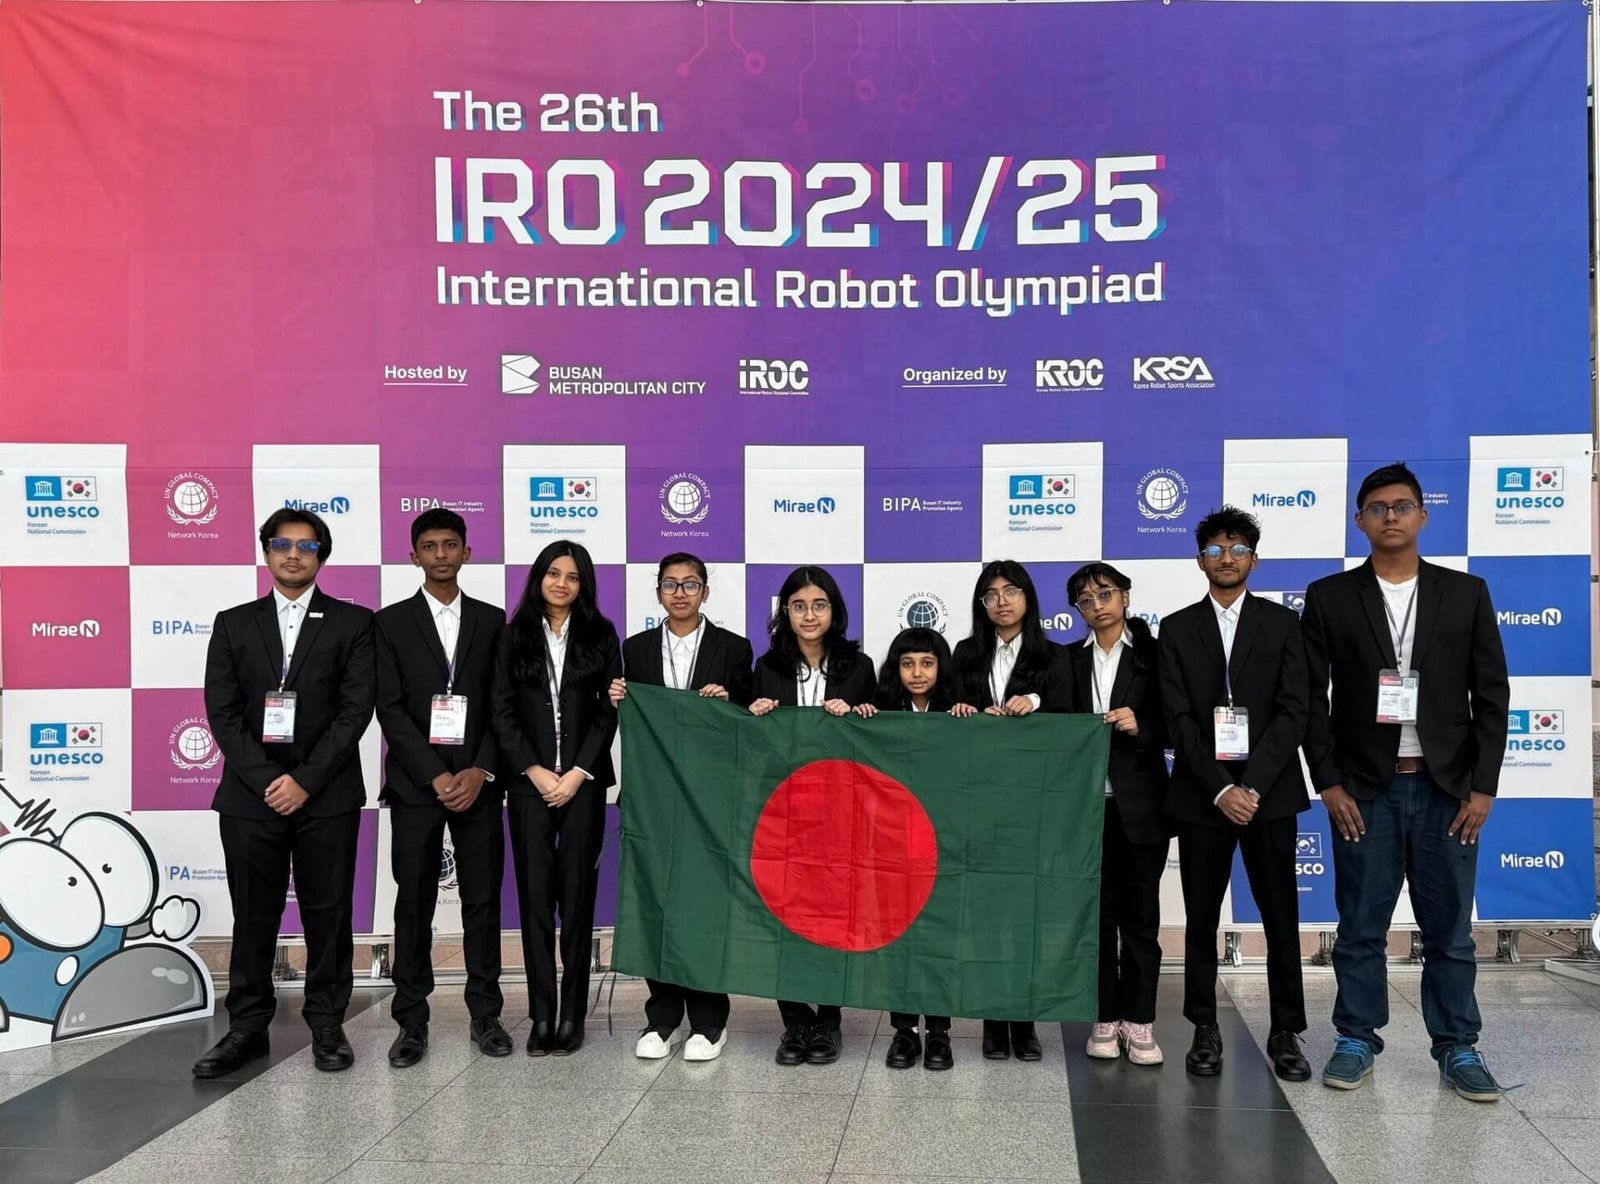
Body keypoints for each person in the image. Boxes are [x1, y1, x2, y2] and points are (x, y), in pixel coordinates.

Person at [1301, 462, 1510, 1101]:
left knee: (1449, 930)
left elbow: (1492, 694)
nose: (1390, 516)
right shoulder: (1330, 596)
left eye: (1402, 505)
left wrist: (1483, 787)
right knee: (1361, 924)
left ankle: (1457, 1047)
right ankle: (1356, 1038)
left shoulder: (1465, 591)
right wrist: (1329, 784)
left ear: (1423, 515)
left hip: (1448, 788)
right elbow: (1311, 697)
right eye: (1377, 507)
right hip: (1366, 789)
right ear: (1359, 520)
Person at [193, 508, 375, 1077]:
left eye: (306, 545)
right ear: (266, 551)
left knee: (328, 913)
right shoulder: (233, 623)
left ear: (322, 554)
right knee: (254, 914)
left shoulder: (353, 623)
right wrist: (269, 780)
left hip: (327, 795)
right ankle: (247, 1026)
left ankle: (327, 1023)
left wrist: (305, 781)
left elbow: (354, 712)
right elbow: (221, 713)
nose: (293, 554)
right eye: (281, 544)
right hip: (251, 798)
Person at [1158, 507, 1312, 1082]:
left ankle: (1286, 1030)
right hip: (1203, 797)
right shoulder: (1175, 628)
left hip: (1269, 794)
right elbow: (1176, 718)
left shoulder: (1283, 623)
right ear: (1200, 560)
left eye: (1238, 548)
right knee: (1201, 917)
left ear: (1254, 558)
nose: (1227, 558)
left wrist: (1251, 786)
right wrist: (1222, 789)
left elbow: (1296, 710)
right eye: (1216, 549)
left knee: (1280, 915)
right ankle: (1204, 1026)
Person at [374, 508, 511, 1067]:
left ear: (466, 553)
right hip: (415, 786)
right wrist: (435, 774)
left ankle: (486, 1014)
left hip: (480, 784)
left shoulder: (494, 620)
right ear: (413, 556)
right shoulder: (388, 622)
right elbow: (390, 708)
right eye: (428, 546)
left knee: (481, 900)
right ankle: (411, 1020)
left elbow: (503, 706)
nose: (440, 554)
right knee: (414, 903)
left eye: (450, 545)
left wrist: (480, 770)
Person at [610, 552, 754, 1064]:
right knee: (655, 903)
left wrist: (729, 700)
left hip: (710, 800)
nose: (680, 592)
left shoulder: (734, 648)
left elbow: (750, 722)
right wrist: (619, 696)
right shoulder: (636, 648)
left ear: (706, 592)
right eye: (670, 584)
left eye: (690, 584)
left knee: (704, 906)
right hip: (652, 798)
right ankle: (662, 1016)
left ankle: (710, 1020)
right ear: (657, 593)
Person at [491, 540, 621, 1057]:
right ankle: (541, 1015)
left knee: (577, 898)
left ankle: (572, 1015)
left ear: (584, 583)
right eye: (553, 573)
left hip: (583, 787)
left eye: (572, 575)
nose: (561, 583)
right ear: (538, 578)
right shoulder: (512, 636)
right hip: (528, 785)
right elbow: (501, 711)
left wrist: (577, 773)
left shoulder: (601, 634)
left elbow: (609, 710)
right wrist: (535, 770)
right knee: (535, 901)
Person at [749, 565, 876, 1067]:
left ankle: (828, 1019)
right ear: (786, 613)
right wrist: (754, 713)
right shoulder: (766, 666)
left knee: (833, 917)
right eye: (798, 606)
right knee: (786, 917)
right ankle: (794, 1023)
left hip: (842, 812)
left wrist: (863, 714)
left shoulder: (858, 666)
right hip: (784, 813)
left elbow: (882, 739)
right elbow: (748, 743)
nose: (808, 615)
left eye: (818, 605)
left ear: (834, 611)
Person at [951, 559, 1072, 1063]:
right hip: (978, 802)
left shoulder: (1055, 655)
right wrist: (963, 712)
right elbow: (948, 713)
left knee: (1027, 916)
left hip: (1032, 804)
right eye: (991, 594)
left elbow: (1070, 711)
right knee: (985, 916)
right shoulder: (965, 653)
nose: (1001, 601)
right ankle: (990, 1019)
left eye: (1011, 591)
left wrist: (1035, 700)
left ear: (1028, 598)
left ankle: (1023, 1020)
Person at [854, 626, 977, 1071]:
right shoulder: (882, 710)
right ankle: (904, 1031)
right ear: (895, 669)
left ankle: (940, 1032)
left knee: (939, 937)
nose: (917, 672)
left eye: (926, 663)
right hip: (890, 846)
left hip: (942, 845)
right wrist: (862, 717)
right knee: (898, 937)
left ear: (941, 666)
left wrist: (973, 718)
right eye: (907, 664)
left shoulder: (957, 711)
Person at [1066, 562, 1170, 1067]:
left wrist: (1141, 724)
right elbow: (1051, 721)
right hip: (1085, 814)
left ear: (1125, 597)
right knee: (1099, 923)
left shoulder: (1155, 655)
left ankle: (1141, 1021)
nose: (1097, 604)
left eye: (1105, 593)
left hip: (1142, 810)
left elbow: (1180, 723)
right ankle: (1104, 1018)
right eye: (1085, 599)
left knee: (1142, 922)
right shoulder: (1067, 661)